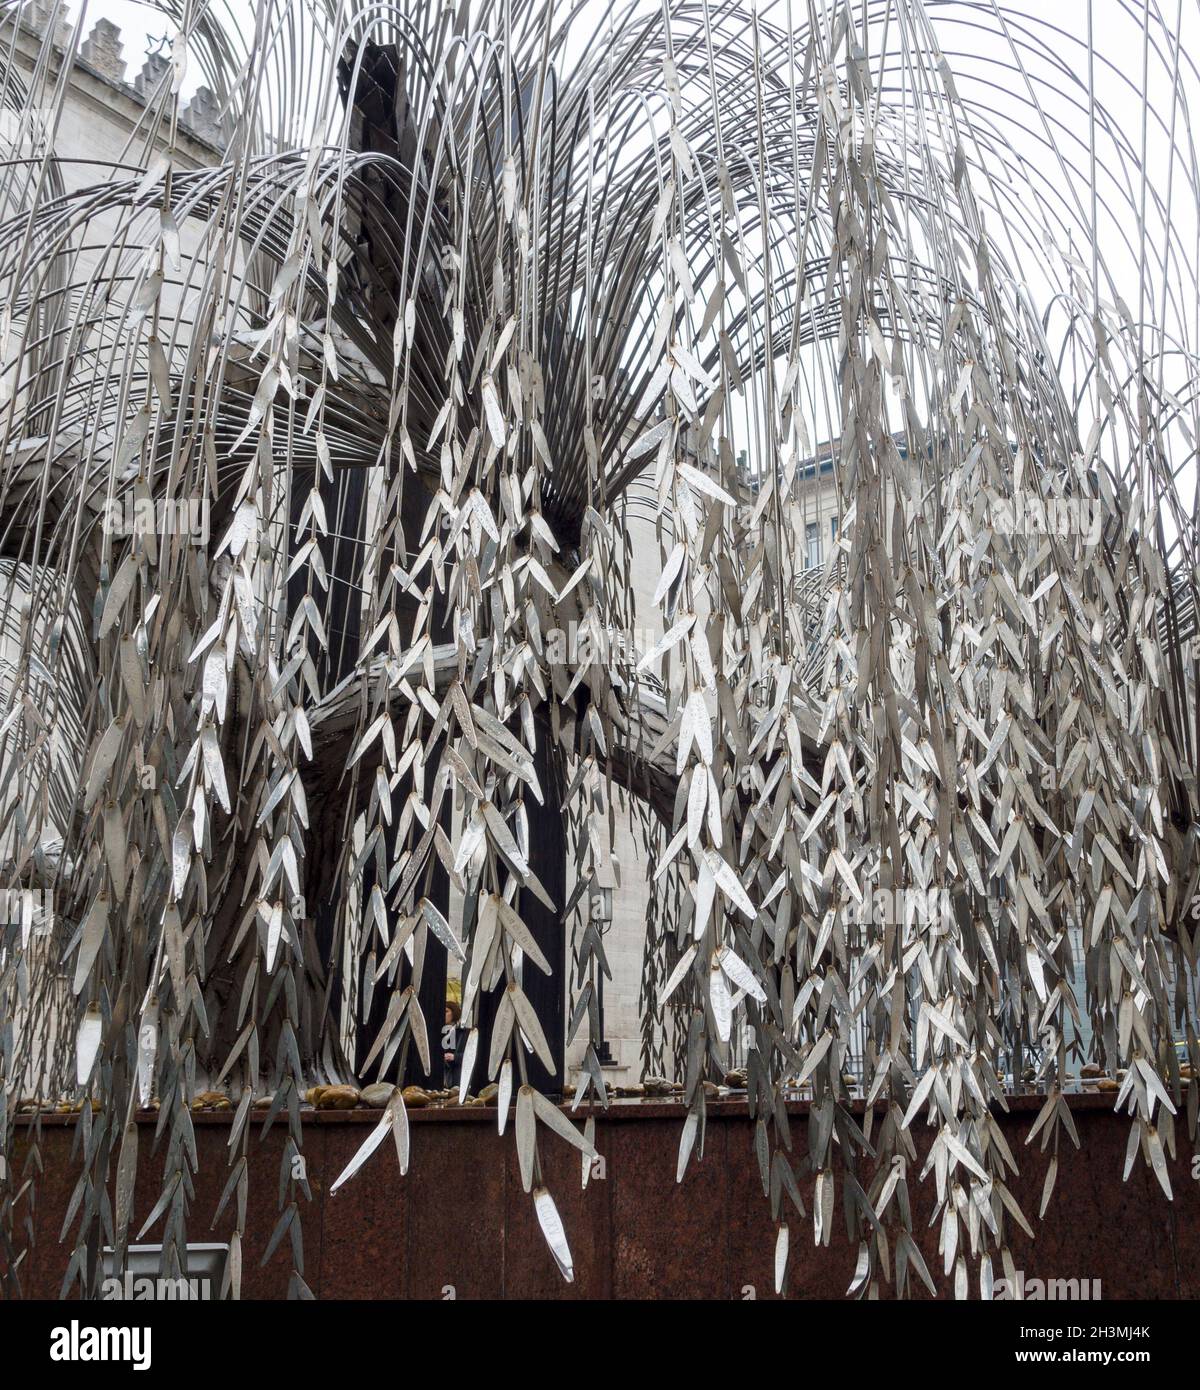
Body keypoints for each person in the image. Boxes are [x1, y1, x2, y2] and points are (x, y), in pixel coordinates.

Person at [441, 1000, 465, 1089]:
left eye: (446, 1011)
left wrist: (455, 1057)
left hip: (457, 1077)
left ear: (454, 1013)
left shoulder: (463, 1032)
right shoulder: (439, 1032)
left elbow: (472, 1055)